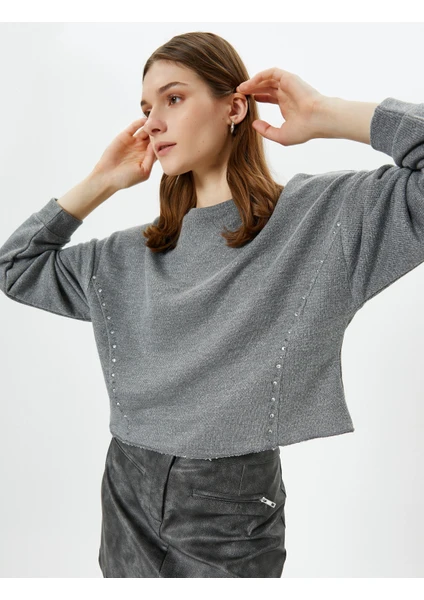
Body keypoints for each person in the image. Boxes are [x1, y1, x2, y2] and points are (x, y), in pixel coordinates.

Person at [1, 31, 423, 578]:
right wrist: (102, 181)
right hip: (126, 487)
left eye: (173, 99)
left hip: (228, 506)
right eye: (146, 109)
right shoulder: (129, 255)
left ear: (234, 108)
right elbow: (16, 267)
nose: (153, 122)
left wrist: (325, 113)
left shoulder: (320, 220)